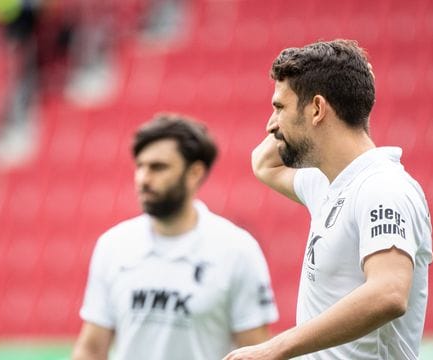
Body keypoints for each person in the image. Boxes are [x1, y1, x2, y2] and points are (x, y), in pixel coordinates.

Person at [225, 40, 433, 359]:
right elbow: (263, 162)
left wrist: (275, 349)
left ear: (318, 109)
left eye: (279, 108)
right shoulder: (329, 182)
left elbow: (389, 293)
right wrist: (348, 91)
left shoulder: (382, 187)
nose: (270, 124)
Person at [72, 114, 279, 360]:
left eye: (158, 167)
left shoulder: (238, 250)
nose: (143, 179)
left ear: (194, 173)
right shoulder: (113, 245)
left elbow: (254, 351)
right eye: (140, 166)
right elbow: (92, 349)